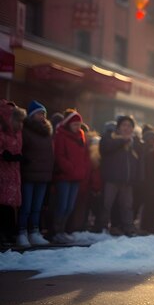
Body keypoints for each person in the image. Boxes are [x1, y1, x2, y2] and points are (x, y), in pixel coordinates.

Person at [17, 101, 54, 247]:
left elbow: (50, 154)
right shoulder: (25, 130)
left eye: (44, 113)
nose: (42, 116)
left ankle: (34, 232)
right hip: (29, 173)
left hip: (43, 175)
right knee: (26, 206)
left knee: (37, 207)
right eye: (39, 113)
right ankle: (21, 233)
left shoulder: (47, 132)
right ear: (32, 115)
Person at [96, 115, 140, 236]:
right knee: (106, 205)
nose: (127, 128)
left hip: (127, 181)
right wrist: (123, 140)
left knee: (127, 207)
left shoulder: (134, 141)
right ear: (118, 127)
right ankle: (101, 229)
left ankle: (129, 229)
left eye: (130, 126)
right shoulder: (110, 136)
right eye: (124, 125)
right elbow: (105, 148)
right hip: (111, 178)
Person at [52, 109, 90, 244]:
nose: (78, 127)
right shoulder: (61, 136)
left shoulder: (81, 136)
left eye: (79, 124)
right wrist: (70, 168)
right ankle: (56, 231)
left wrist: (83, 169)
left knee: (70, 206)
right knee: (61, 205)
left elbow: (85, 156)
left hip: (76, 177)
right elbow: (59, 155)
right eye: (75, 124)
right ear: (68, 124)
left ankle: (62, 231)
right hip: (64, 176)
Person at [0, 101, 26, 246]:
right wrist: (4, 154)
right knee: (3, 204)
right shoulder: (2, 131)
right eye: (19, 121)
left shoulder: (18, 133)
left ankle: (9, 233)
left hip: (13, 172)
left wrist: (20, 156)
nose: (21, 124)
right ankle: (3, 233)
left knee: (10, 204)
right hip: (3, 171)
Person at [136, 124, 154, 235]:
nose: (152, 141)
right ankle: (145, 225)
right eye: (150, 139)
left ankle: (152, 225)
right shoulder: (144, 150)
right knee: (148, 204)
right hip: (146, 181)